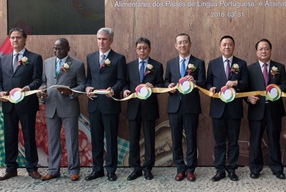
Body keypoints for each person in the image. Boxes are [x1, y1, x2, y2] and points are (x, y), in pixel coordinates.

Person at [0, 27, 43, 181]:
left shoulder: (34, 58)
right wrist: (0, 91)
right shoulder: (3, 59)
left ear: (24, 39)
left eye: (18, 38)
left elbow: (37, 80)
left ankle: (32, 167)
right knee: (10, 136)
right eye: (12, 38)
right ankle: (10, 168)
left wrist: (27, 88)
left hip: (27, 103)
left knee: (28, 136)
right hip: (9, 104)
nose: (15, 40)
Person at [38, 38, 86, 181]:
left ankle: (73, 170)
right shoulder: (47, 63)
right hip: (51, 106)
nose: (57, 51)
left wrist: (71, 92)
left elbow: (82, 85)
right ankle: (53, 169)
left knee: (71, 140)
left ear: (68, 49)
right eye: (55, 48)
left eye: (60, 49)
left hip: (69, 107)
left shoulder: (77, 65)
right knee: (52, 140)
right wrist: (42, 89)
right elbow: (44, 82)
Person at [85, 27, 127, 182]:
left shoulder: (118, 58)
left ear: (111, 40)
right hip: (94, 104)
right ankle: (97, 169)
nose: (101, 42)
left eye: (104, 39)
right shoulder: (90, 57)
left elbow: (122, 80)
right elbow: (88, 79)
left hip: (110, 105)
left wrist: (114, 89)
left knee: (110, 139)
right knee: (95, 139)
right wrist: (87, 88)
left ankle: (111, 169)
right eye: (99, 39)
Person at [165, 33, 206, 182]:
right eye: (180, 43)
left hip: (191, 107)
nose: (182, 45)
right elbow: (165, 82)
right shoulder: (170, 63)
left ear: (190, 44)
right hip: (174, 106)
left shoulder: (199, 62)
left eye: (185, 42)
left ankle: (190, 169)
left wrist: (194, 81)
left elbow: (203, 83)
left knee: (191, 139)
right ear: (176, 45)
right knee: (175, 139)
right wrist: (169, 87)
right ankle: (180, 168)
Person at [207, 35, 249, 182]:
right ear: (220, 47)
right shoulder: (212, 63)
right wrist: (210, 88)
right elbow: (208, 83)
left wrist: (236, 82)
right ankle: (219, 170)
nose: (227, 47)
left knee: (233, 141)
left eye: (229, 44)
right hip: (217, 109)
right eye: (224, 44)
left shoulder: (241, 64)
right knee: (219, 142)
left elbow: (246, 83)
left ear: (234, 46)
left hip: (234, 109)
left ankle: (232, 169)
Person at [122, 38, 164, 181]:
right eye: (139, 48)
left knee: (149, 139)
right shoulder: (129, 66)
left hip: (149, 108)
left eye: (145, 48)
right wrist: (125, 91)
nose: (142, 50)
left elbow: (161, 84)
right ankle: (136, 168)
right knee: (133, 139)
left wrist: (154, 87)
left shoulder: (157, 66)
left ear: (149, 49)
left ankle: (148, 168)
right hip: (133, 107)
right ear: (136, 49)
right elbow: (125, 83)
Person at [246, 39, 286, 179]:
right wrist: (248, 98)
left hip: (274, 110)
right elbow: (245, 90)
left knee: (274, 139)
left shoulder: (279, 67)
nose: (264, 51)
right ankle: (255, 168)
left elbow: (284, 85)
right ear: (256, 51)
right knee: (255, 140)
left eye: (267, 48)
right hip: (256, 109)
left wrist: (277, 90)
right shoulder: (249, 68)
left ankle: (277, 168)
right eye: (261, 49)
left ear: (270, 50)